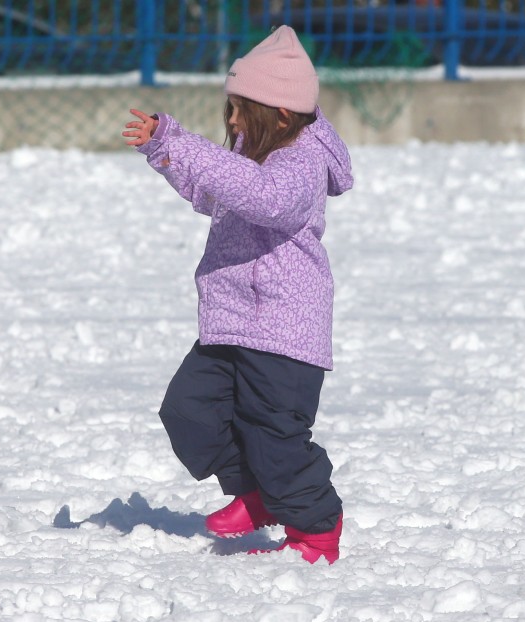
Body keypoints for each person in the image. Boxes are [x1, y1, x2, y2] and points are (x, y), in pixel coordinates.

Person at [122, 25, 353, 564]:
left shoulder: (300, 161)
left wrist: (192, 147)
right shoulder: (253, 152)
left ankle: (317, 525)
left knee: (277, 441)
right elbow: (212, 193)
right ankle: (257, 494)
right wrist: (165, 149)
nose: (230, 123)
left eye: (239, 111)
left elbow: (265, 201)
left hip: (283, 331)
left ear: (279, 113)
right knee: (187, 413)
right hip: (230, 321)